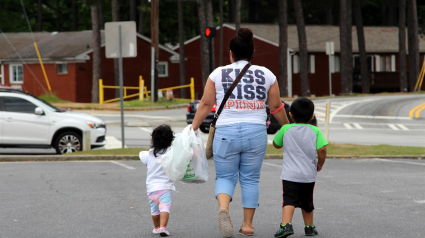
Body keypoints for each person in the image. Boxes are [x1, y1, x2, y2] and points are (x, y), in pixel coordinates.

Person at [191, 27, 289, 237]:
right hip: (255, 132)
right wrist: (288, 127)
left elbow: (207, 103)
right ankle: (247, 225)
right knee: (251, 179)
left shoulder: (217, 73)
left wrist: (193, 127)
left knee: (225, 177)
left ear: (230, 53)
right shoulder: (267, 74)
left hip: (226, 132)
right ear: (253, 53)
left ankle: (224, 209)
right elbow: (276, 107)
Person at [272, 97, 328, 238]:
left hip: (290, 174)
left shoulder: (286, 129)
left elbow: (276, 144)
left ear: (290, 114)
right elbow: (322, 150)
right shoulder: (315, 131)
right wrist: (320, 163)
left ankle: (286, 226)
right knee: (307, 201)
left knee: (289, 200)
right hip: (308, 175)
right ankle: (309, 227)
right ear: (311, 116)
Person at [139, 124, 175, 237]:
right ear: (170, 140)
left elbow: (144, 161)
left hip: (151, 188)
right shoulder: (171, 153)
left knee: (154, 210)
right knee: (165, 207)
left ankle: (156, 227)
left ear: (153, 139)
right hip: (165, 186)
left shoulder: (148, 154)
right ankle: (163, 227)